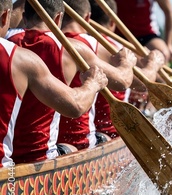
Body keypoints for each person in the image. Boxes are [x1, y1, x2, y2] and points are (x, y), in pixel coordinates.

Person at [6, 0, 137, 163]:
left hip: (10, 159)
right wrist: (127, 64)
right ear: (58, 19)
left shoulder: (9, 42)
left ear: (24, 17)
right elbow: (123, 81)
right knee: (88, 142)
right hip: (43, 156)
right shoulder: (72, 49)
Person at [59, 0, 164, 147]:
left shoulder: (29, 46)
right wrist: (153, 64)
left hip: (35, 146)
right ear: (87, 19)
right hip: (86, 141)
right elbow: (141, 83)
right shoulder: (99, 46)